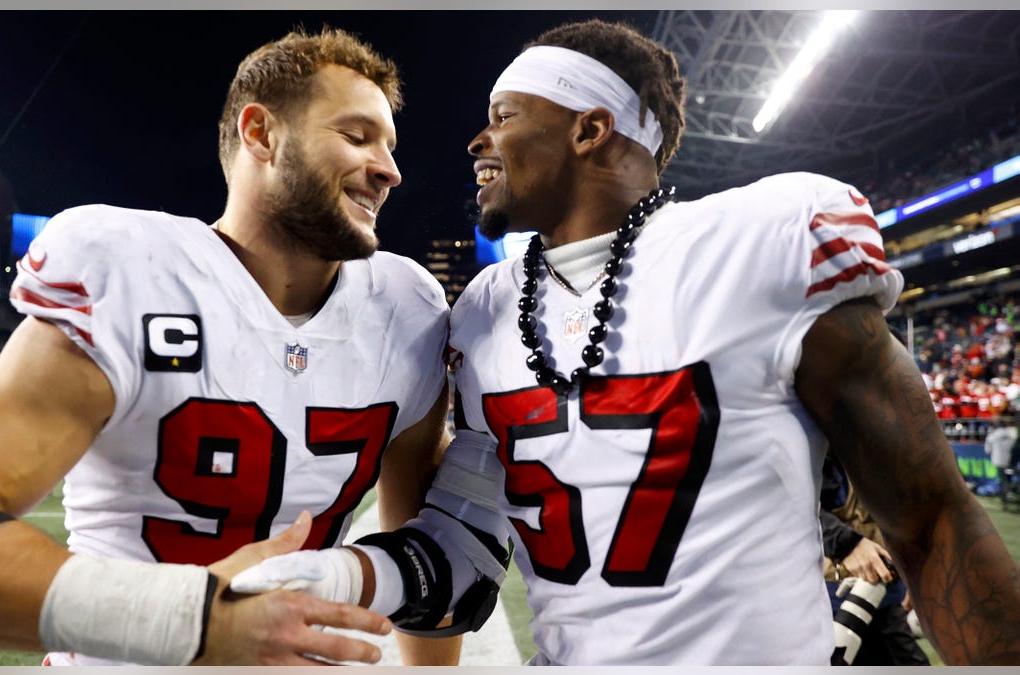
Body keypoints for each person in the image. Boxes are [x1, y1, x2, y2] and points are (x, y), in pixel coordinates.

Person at [231, 19, 1020, 665]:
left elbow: (931, 519)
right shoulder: (483, 313)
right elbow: (466, 547)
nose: (477, 140)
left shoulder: (761, 245)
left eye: (503, 115)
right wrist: (343, 570)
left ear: (590, 128)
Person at [0, 27, 458, 667]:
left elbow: (422, 548)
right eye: (356, 137)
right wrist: (192, 619)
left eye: (389, 145)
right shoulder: (135, 273)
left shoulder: (405, 308)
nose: (389, 169)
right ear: (261, 134)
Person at [820, 456, 928, 665]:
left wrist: (914, 575)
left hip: (883, 592)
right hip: (834, 597)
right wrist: (847, 543)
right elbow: (791, 508)